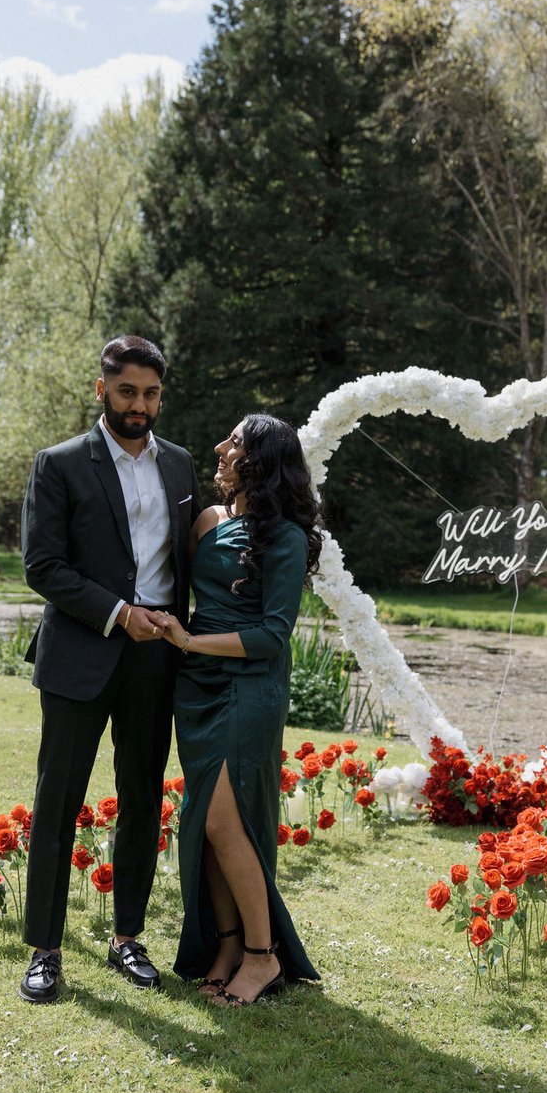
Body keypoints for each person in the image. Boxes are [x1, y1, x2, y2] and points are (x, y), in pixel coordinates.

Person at [18, 335, 202, 1003]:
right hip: (80, 654)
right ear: (102, 390)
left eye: (151, 394)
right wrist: (119, 613)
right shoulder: (60, 464)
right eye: (128, 392)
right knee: (58, 799)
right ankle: (44, 949)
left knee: (142, 800)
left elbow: (187, 560)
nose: (140, 406)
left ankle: (127, 938)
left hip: (156, 659)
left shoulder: (179, 467)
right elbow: (43, 566)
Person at [151, 413, 322, 1006]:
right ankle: (226, 946)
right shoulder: (207, 520)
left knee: (227, 822)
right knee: (204, 824)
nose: (221, 449)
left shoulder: (288, 537)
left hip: (248, 686)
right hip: (195, 688)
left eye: (236, 444)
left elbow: (273, 635)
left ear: (263, 461)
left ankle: (262, 957)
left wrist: (190, 641)